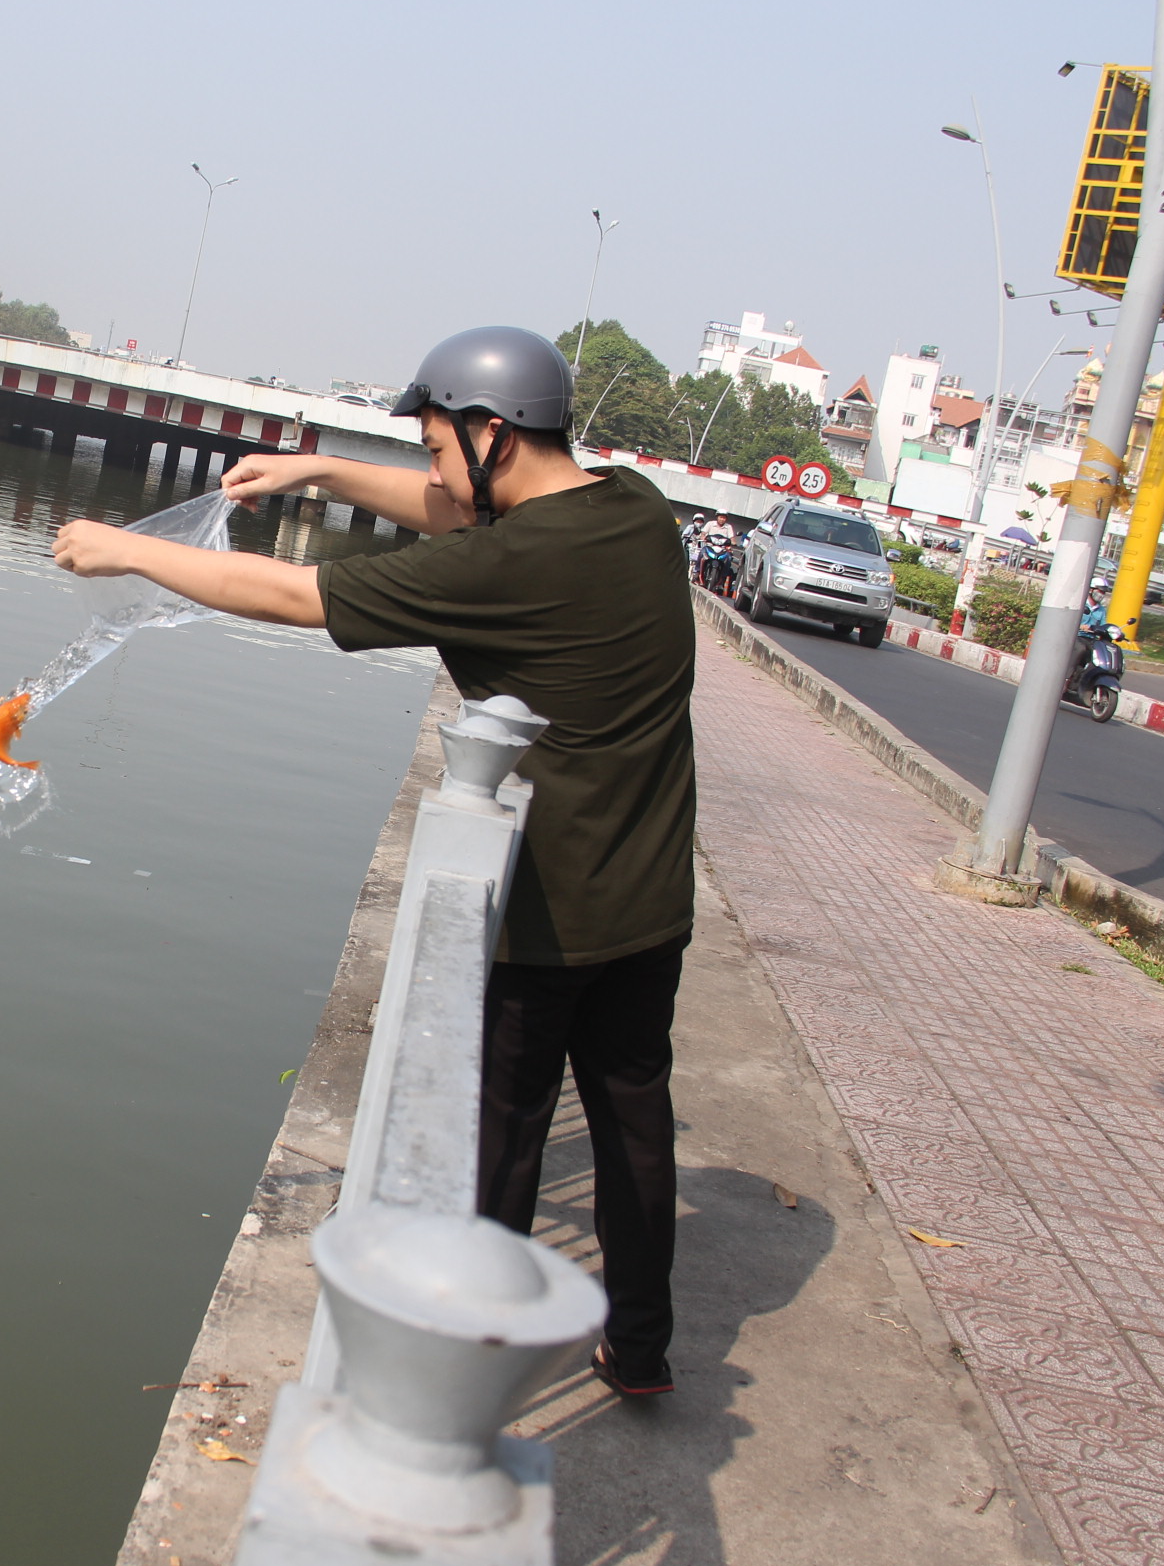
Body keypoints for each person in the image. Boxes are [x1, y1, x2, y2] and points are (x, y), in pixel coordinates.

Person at [51, 326, 697, 1398]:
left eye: (440, 446)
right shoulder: (631, 509)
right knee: (633, 1121)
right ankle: (639, 1349)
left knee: (497, 1145)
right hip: (650, 893)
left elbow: (301, 597)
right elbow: (460, 509)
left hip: (550, 907)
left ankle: (459, 1378)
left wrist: (132, 549)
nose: (436, 472)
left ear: (492, 433)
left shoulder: (512, 566)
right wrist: (322, 468)